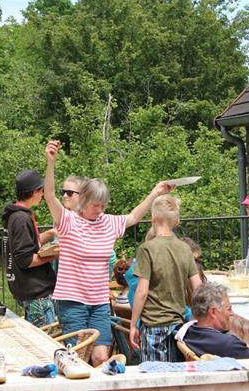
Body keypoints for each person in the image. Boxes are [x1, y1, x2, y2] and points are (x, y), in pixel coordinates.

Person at [43, 140, 174, 367]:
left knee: (101, 356)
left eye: (104, 205)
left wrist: (155, 193)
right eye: (97, 205)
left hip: (99, 301)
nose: (101, 210)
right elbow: (49, 195)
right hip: (72, 301)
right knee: (78, 358)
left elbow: (133, 217)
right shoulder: (67, 221)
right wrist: (51, 163)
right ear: (84, 202)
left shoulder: (107, 222)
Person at [129, 195, 203, 362]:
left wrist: (133, 324)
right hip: (178, 326)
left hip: (153, 328)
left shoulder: (146, 249)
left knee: (155, 380)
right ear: (176, 222)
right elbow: (198, 287)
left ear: (153, 218)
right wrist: (196, 319)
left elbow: (142, 292)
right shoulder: (184, 248)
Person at [2, 169, 57, 327]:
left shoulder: (14, 214)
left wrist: (50, 234)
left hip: (28, 290)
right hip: (36, 293)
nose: (43, 195)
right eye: (42, 191)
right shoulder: (21, 218)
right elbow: (25, 259)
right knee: (47, 343)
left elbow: (26, 244)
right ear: (35, 192)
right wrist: (55, 254)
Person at [176, 282, 249, 359]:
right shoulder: (228, 344)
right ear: (213, 312)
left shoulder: (186, 332)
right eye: (229, 309)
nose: (232, 313)